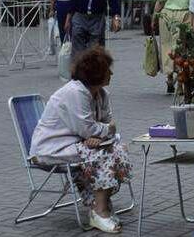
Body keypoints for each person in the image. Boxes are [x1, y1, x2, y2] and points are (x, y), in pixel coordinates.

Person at [29, 47, 132, 234]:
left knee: (118, 148)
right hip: (51, 149)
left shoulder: (101, 94)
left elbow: (103, 124)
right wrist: (104, 131)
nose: (112, 73)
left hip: (77, 145)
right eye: (108, 69)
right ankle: (99, 211)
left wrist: (100, 134)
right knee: (101, 154)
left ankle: (100, 206)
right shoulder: (75, 93)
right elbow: (90, 129)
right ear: (96, 73)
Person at [153, 0, 193, 94]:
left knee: (167, 45)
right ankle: (181, 84)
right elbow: (193, 3)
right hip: (184, 15)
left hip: (166, 15)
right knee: (182, 47)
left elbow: (159, 1)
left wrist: (154, 17)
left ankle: (169, 78)